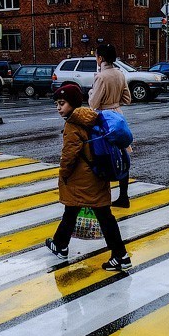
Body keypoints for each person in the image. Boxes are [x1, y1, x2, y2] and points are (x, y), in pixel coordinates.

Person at [45, 83, 132, 272]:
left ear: (73, 104)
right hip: (97, 173)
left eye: (62, 103)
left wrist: (63, 174)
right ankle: (60, 245)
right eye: (57, 104)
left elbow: (69, 154)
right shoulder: (90, 117)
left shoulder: (72, 124)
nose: (59, 108)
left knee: (101, 216)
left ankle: (121, 255)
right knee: (74, 211)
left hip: (82, 178)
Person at [88, 43, 132, 208]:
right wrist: (114, 102)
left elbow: (93, 103)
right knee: (122, 155)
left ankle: (101, 196)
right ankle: (124, 196)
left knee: (103, 155)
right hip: (118, 117)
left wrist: (92, 91)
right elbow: (127, 99)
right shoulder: (120, 74)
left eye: (96, 56)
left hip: (103, 119)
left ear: (100, 58)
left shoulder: (100, 77)